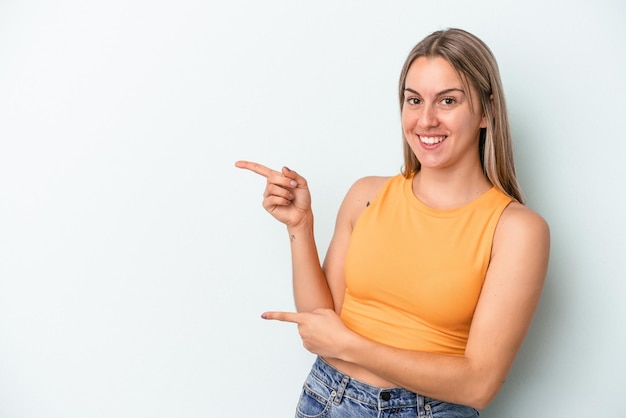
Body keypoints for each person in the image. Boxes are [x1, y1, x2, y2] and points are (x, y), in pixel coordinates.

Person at [235, 28, 550, 417]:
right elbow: (321, 328)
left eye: (447, 100)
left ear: (485, 112)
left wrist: (350, 346)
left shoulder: (516, 229)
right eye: (414, 100)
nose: (426, 119)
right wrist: (300, 227)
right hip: (327, 398)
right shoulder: (366, 196)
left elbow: (478, 385)